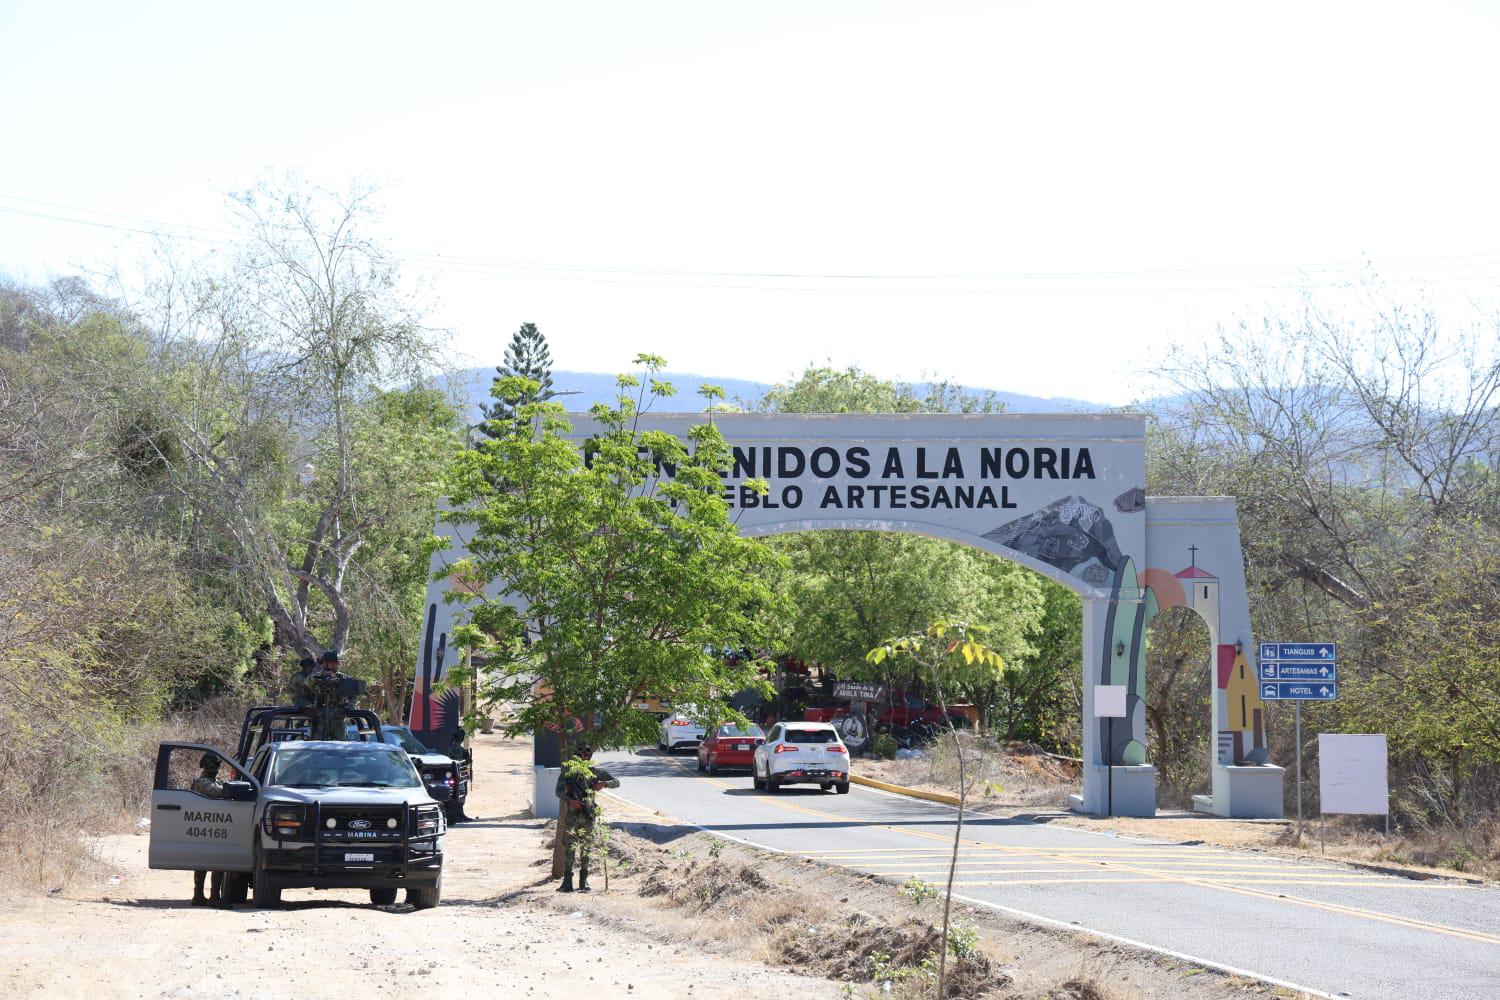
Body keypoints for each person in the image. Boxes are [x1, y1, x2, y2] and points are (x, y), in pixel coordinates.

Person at [553, 743, 618, 893]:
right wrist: (570, 800)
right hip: (572, 815)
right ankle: (567, 881)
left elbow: (616, 782)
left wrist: (604, 784)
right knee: (570, 848)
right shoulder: (568, 773)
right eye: (581, 754)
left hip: (588, 814)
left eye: (586, 755)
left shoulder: (595, 772)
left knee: (586, 848)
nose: (584, 757)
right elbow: (558, 791)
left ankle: (584, 881)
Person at [190, 753, 226, 907]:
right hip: (205, 825)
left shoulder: (216, 780)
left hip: (213, 824)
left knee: (213, 861)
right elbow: (216, 792)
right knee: (210, 861)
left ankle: (207, 896)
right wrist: (228, 789)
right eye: (213, 764)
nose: (215, 767)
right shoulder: (202, 782)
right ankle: (207, 896)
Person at [304, 650, 351, 740]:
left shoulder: (344, 678)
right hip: (320, 718)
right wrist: (323, 676)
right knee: (317, 744)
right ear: (325, 664)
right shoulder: (317, 677)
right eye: (332, 663)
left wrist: (349, 707)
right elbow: (307, 682)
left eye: (336, 663)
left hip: (338, 718)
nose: (335, 665)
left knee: (340, 744)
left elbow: (353, 694)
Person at [445, 727, 473, 822]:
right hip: (458, 774)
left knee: (461, 795)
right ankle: (458, 815)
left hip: (460, 774)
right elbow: (460, 762)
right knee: (460, 795)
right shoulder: (455, 748)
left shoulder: (455, 747)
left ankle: (460, 814)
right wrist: (466, 758)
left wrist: (467, 758)